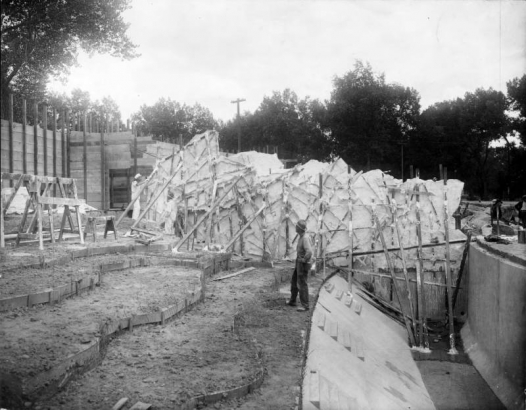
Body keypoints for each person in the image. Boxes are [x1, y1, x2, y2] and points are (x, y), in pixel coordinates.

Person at [287, 219, 313, 312]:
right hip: (299, 262)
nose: (295, 227)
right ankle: (293, 300)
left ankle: (305, 305)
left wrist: (304, 260)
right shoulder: (302, 236)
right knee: (294, 281)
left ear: (299, 228)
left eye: (297, 226)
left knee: (302, 284)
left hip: (302, 263)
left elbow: (309, 251)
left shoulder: (305, 238)